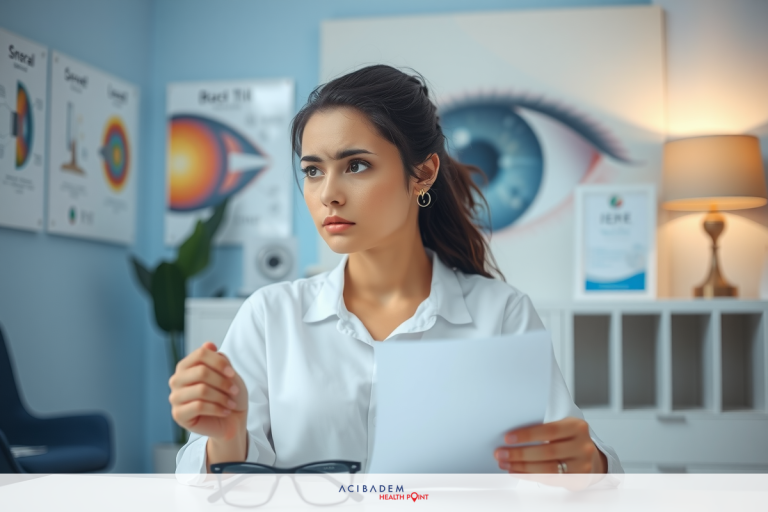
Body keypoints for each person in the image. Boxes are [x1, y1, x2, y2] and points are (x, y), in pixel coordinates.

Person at [171, 65, 622, 484]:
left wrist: (587, 464)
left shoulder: (500, 314)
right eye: (312, 170)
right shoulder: (270, 316)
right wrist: (226, 437)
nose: (328, 194)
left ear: (422, 173)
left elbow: (577, 462)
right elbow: (218, 490)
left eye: (356, 166)